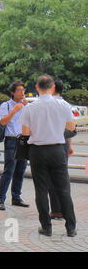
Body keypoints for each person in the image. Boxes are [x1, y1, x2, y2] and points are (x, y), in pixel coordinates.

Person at [20, 75, 77, 237]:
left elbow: (25, 133)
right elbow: (71, 128)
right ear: (52, 87)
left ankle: (46, 227)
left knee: (41, 190)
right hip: (58, 149)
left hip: (37, 151)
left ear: (37, 88)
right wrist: (56, 131)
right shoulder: (63, 105)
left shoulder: (30, 108)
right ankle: (71, 227)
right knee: (64, 189)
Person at [0, 81, 30, 211]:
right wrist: (15, 110)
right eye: (19, 90)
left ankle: (16, 197)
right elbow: (2, 121)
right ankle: (0, 199)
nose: (22, 93)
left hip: (24, 140)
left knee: (20, 170)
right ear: (13, 92)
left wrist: (28, 108)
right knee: (9, 170)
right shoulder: (6, 105)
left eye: (23, 90)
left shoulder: (27, 106)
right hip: (11, 140)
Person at [49, 78, 75, 220]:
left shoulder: (48, 104)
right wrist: (70, 144)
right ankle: (65, 210)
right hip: (63, 143)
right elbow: (70, 127)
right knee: (63, 176)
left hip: (50, 144)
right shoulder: (66, 105)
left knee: (52, 178)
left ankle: (56, 210)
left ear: (52, 88)